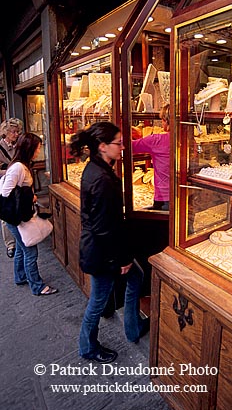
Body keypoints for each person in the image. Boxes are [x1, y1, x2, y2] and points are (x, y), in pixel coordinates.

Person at [70, 121, 149, 364]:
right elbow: (105, 228)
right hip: (102, 252)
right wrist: (121, 260)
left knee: (136, 277)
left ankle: (133, 327)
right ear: (103, 146)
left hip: (100, 247)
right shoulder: (102, 179)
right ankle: (87, 346)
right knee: (98, 301)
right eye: (118, 143)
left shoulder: (96, 168)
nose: (123, 147)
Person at [0, 132, 58, 296]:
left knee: (21, 248)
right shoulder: (18, 167)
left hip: (16, 217)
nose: (39, 151)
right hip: (16, 217)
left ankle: (20, 276)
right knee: (30, 251)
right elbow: (5, 193)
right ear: (29, 149)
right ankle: (38, 286)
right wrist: (29, 196)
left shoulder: (21, 165)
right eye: (37, 148)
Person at [132, 103, 170, 210]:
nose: (162, 123)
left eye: (162, 120)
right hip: (185, 195)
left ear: (166, 121)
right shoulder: (189, 139)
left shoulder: (156, 140)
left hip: (163, 197)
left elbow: (130, 147)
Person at [0, 118, 23, 258]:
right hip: (4, 184)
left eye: (17, 132)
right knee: (5, 214)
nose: (16, 134)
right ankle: (10, 244)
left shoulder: (18, 146)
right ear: (6, 132)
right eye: (13, 132)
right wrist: (9, 172)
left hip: (18, 184)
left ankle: (20, 237)